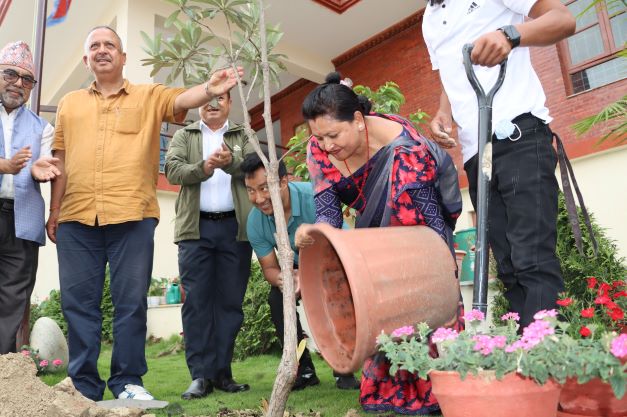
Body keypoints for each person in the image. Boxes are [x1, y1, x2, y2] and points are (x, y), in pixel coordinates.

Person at [46, 26, 244, 402]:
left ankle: (127, 381)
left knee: (130, 303)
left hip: (132, 216)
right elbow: (61, 158)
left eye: (110, 45)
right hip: (76, 218)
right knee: (78, 306)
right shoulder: (70, 103)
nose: (102, 51)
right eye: (94, 47)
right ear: (86, 60)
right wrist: (54, 209)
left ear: (122, 57)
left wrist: (210, 88)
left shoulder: (148, 96)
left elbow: (182, 98)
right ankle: (83, 386)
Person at [295, 72, 464, 415]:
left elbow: (429, 214)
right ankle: (389, 386)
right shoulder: (320, 149)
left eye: (333, 135)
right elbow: (328, 209)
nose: (326, 145)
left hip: (417, 224)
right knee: (376, 292)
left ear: (358, 120)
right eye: (319, 137)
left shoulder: (405, 148)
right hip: (375, 225)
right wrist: (317, 236)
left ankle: (436, 383)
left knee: (408, 289)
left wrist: (443, 261)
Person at [423, 0, 576, 329]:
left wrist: (511, 34)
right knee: (507, 265)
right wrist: (443, 113)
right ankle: (529, 354)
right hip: (477, 153)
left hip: (519, 134)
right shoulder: (429, 18)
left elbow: (563, 19)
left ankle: (542, 361)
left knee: (531, 258)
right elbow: (452, 72)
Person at [242, 152, 361, 391]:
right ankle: (303, 370)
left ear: (283, 182)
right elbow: (269, 268)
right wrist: (284, 279)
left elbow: (337, 243)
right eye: (250, 190)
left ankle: (343, 368)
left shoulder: (315, 196)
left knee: (333, 294)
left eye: (265, 188)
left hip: (338, 260)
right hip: (296, 267)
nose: (258, 198)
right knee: (277, 299)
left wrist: (312, 275)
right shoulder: (255, 222)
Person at [165, 91, 253, 400]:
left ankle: (222, 373)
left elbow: (257, 169)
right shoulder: (185, 134)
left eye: (220, 98)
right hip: (195, 230)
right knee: (197, 303)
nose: (212, 103)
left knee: (230, 304)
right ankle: (200, 376)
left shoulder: (244, 133)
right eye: (208, 97)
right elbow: (172, 170)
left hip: (235, 229)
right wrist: (204, 167)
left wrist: (231, 163)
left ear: (230, 103)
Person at [0, 41, 60, 354]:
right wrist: (5, 166)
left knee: (14, 299)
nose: (18, 84)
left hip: (21, 220)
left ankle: (4, 373)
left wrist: (38, 170)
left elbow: (44, 163)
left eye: (27, 80)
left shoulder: (42, 128)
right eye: (11, 74)